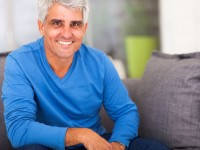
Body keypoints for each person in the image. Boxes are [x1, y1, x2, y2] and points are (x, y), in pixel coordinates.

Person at [2, 0, 169, 150]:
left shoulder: (99, 61)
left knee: (155, 147)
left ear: (84, 28)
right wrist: (81, 135)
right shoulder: (19, 62)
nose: (66, 33)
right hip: (46, 145)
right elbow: (19, 129)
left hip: (93, 144)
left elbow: (126, 112)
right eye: (57, 23)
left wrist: (118, 144)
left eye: (75, 24)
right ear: (42, 26)